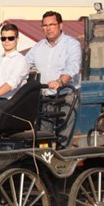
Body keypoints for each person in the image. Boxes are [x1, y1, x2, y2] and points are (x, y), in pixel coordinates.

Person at [26, 11, 81, 142]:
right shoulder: (38, 47)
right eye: (45, 25)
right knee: (44, 137)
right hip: (45, 98)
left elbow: (72, 66)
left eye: (52, 24)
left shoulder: (72, 44)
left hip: (66, 96)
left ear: (61, 25)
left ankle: (63, 153)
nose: (48, 28)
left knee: (63, 138)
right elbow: (24, 64)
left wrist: (60, 81)